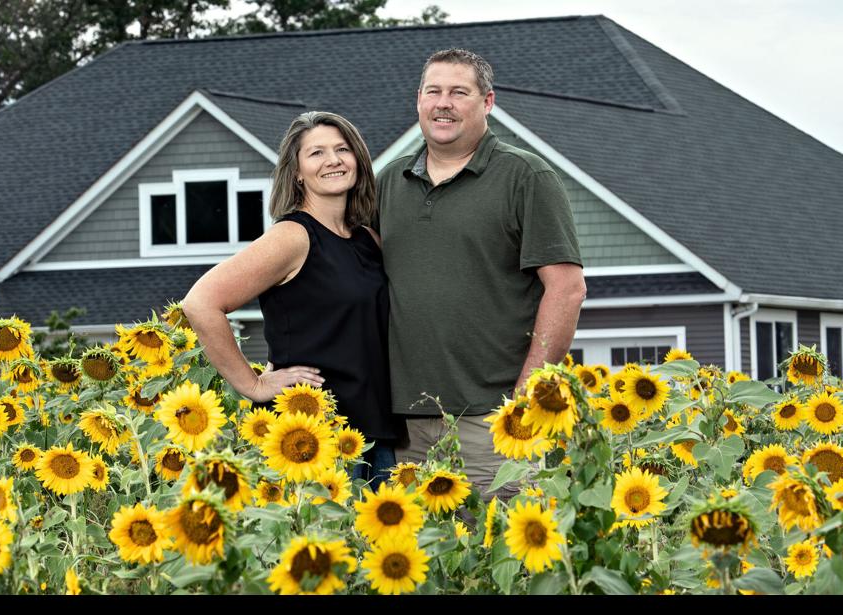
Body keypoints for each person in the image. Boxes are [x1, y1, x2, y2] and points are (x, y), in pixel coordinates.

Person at [376, 48, 585, 499]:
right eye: (433, 91)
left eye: (459, 92)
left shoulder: (525, 177)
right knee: (421, 563)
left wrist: (525, 397)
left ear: (487, 102)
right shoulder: (387, 182)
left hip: (492, 422)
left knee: (502, 559)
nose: (443, 103)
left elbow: (566, 289)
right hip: (406, 426)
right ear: (418, 101)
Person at [181, 110, 401, 486]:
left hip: (376, 432)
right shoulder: (293, 236)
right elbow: (200, 302)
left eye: (342, 149)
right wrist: (253, 386)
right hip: (313, 436)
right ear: (297, 171)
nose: (333, 160)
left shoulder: (367, 238)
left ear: (358, 160)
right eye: (316, 153)